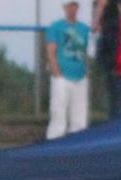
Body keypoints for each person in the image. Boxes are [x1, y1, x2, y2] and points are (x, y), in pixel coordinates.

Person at [45, 0, 93, 140]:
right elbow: (51, 51)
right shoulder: (56, 27)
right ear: (64, 7)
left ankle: (77, 147)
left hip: (80, 76)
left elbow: (88, 51)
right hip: (62, 76)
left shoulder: (84, 29)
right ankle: (54, 146)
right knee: (58, 116)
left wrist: (86, 73)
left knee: (79, 118)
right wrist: (57, 74)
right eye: (70, 6)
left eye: (75, 6)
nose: (72, 9)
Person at [98, 0, 121, 121]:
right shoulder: (111, 26)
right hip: (115, 72)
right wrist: (112, 67)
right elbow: (103, 50)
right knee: (115, 106)